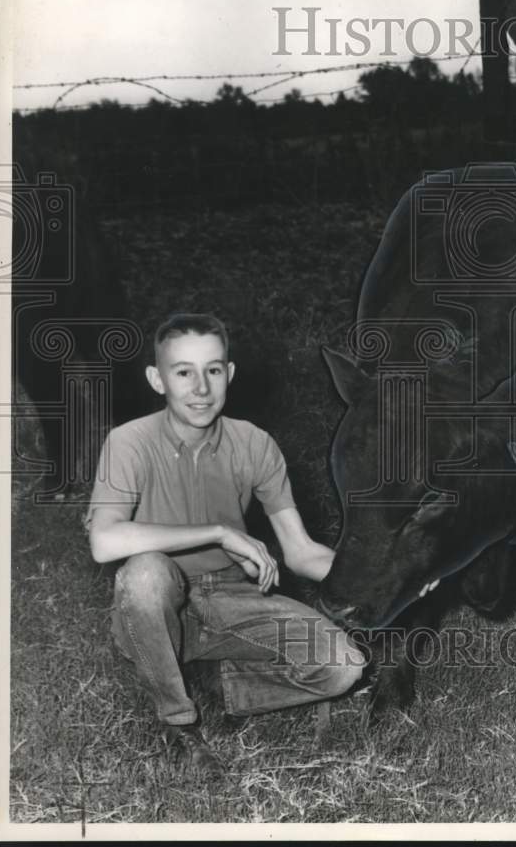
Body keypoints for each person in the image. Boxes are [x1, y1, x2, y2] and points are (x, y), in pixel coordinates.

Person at [86, 313, 366, 777]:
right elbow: (104, 541)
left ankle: (220, 683)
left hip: (234, 600)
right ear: (158, 380)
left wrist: (391, 577)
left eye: (213, 370)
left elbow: (300, 553)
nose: (200, 387)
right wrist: (218, 531)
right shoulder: (128, 442)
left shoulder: (254, 444)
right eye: (183, 372)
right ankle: (178, 723)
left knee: (344, 668)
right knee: (144, 574)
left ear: (229, 375)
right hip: (157, 603)